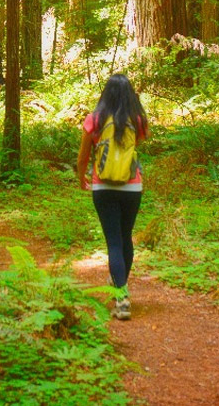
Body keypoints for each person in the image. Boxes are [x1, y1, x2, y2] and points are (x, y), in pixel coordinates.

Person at [76, 74, 148, 320]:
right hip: (132, 187)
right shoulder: (137, 120)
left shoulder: (94, 120)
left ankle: (121, 296)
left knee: (114, 243)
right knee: (125, 238)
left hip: (103, 187)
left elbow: (83, 156)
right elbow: (135, 145)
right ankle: (121, 286)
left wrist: (81, 177)